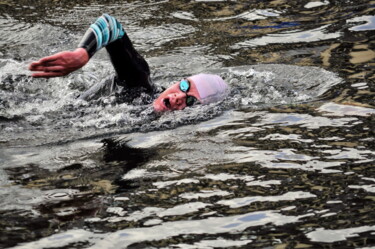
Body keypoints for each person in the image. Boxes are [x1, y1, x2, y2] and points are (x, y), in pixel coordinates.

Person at [29, 14, 229, 112]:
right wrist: (82, 54)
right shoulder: (139, 82)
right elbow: (111, 24)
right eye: (184, 86)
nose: (178, 97)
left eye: (190, 101)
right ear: (180, 80)